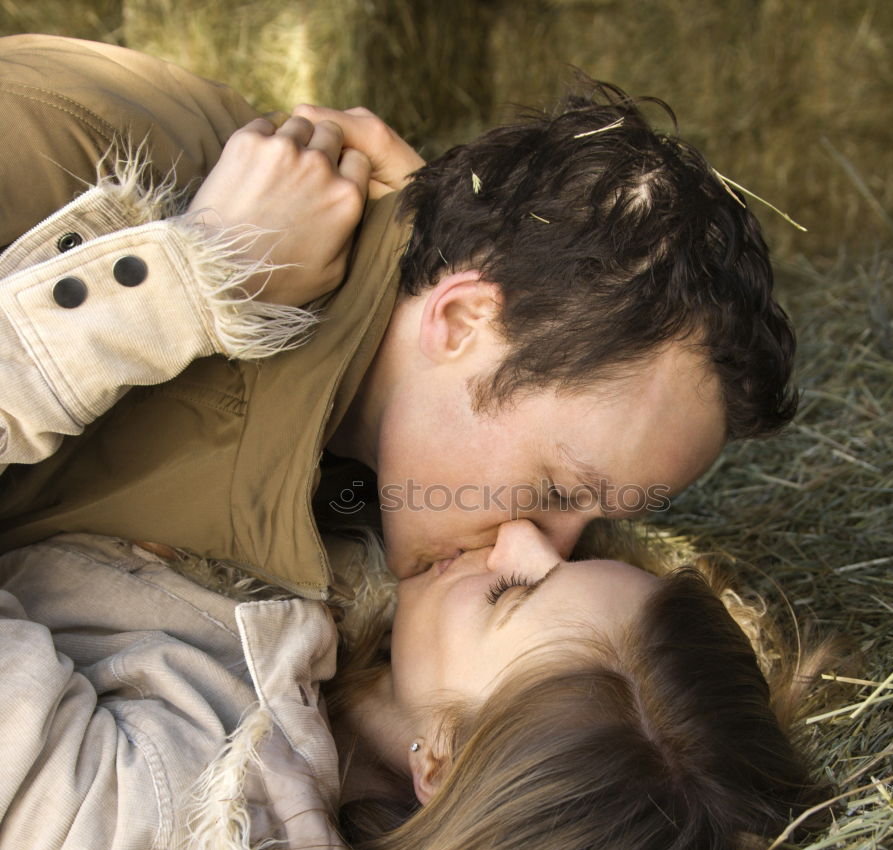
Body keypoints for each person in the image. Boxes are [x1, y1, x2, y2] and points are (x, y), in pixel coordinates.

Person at [0, 35, 795, 592]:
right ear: (456, 322)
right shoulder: (78, 153)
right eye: (555, 489)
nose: (542, 558)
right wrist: (184, 281)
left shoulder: (383, 476)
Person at [0, 515, 834, 850]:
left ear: (442, 763)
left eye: (507, 592)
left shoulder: (162, 832)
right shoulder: (337, 638)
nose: (522, 534)